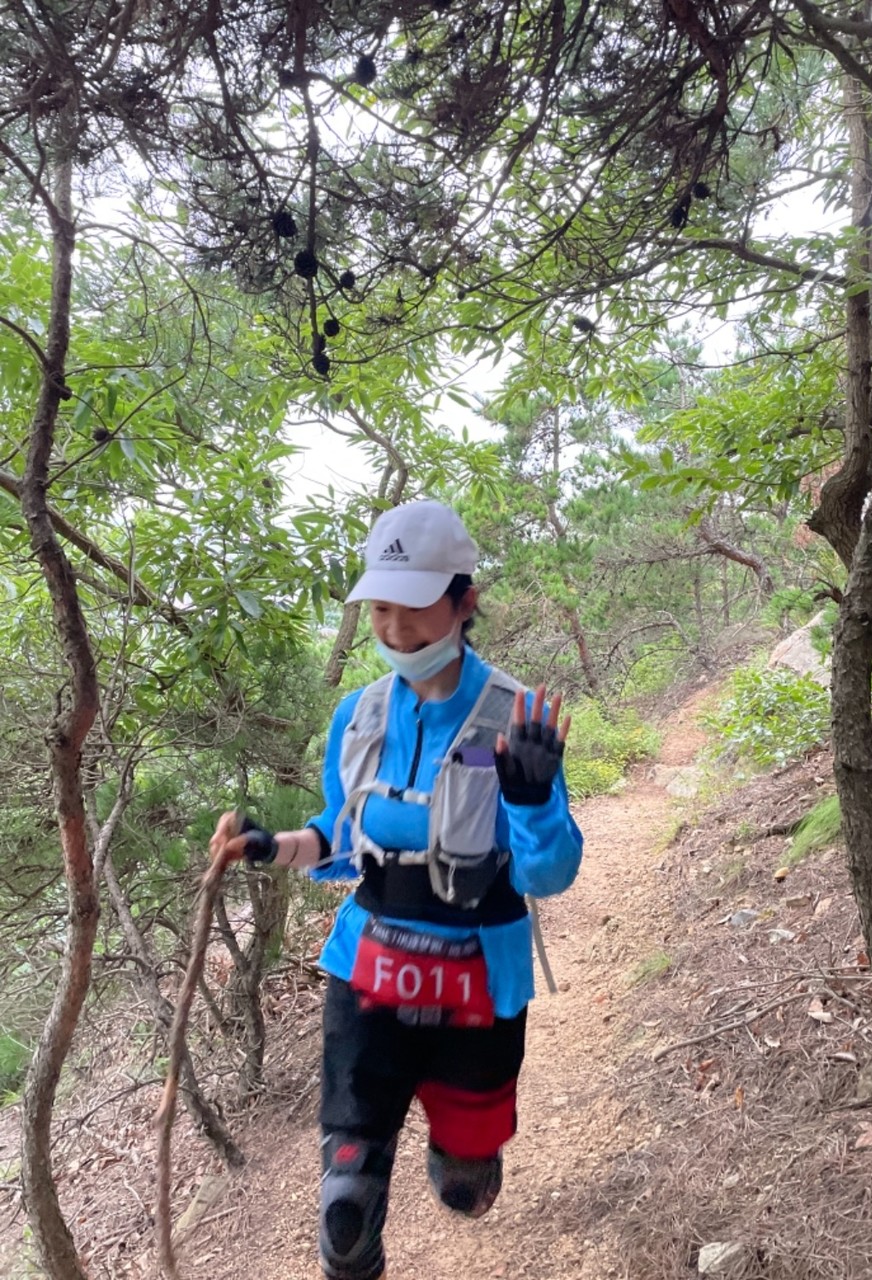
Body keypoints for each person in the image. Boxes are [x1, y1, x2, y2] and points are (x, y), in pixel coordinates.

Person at [209, 498, 583, 1280]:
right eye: (381, 608)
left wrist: (532, 799)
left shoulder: (512, 719)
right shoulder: (361, 715)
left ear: (464, 601)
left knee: (466, 1188)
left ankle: (464, 1154)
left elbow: (549, 874)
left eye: (414, 607)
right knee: (345, 1209)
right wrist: (271, 845)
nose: (395, 628)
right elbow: (341, 839)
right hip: (371, 967)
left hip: (478, 979)